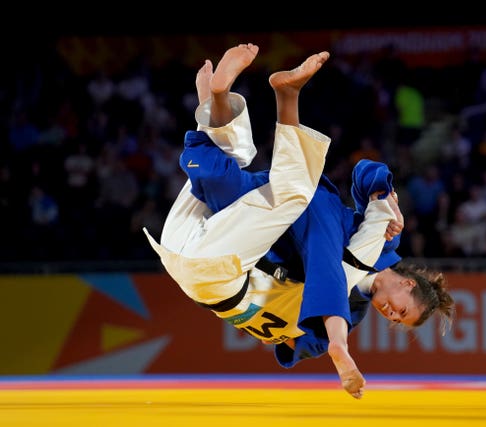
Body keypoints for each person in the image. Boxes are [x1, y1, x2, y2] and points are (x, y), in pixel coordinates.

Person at [144, 43, 455, 399]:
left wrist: (334, 344)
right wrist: (383, 195)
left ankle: (279, 99)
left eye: (396, 321)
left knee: (303, 198)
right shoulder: (385, 239)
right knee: (231, 168)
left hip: (228, 266)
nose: (391, 315)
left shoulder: (351, 307)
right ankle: (217, 102)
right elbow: (367, 171)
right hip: (198, 242)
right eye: (401, 311)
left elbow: (297, 337)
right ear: (408, 285)